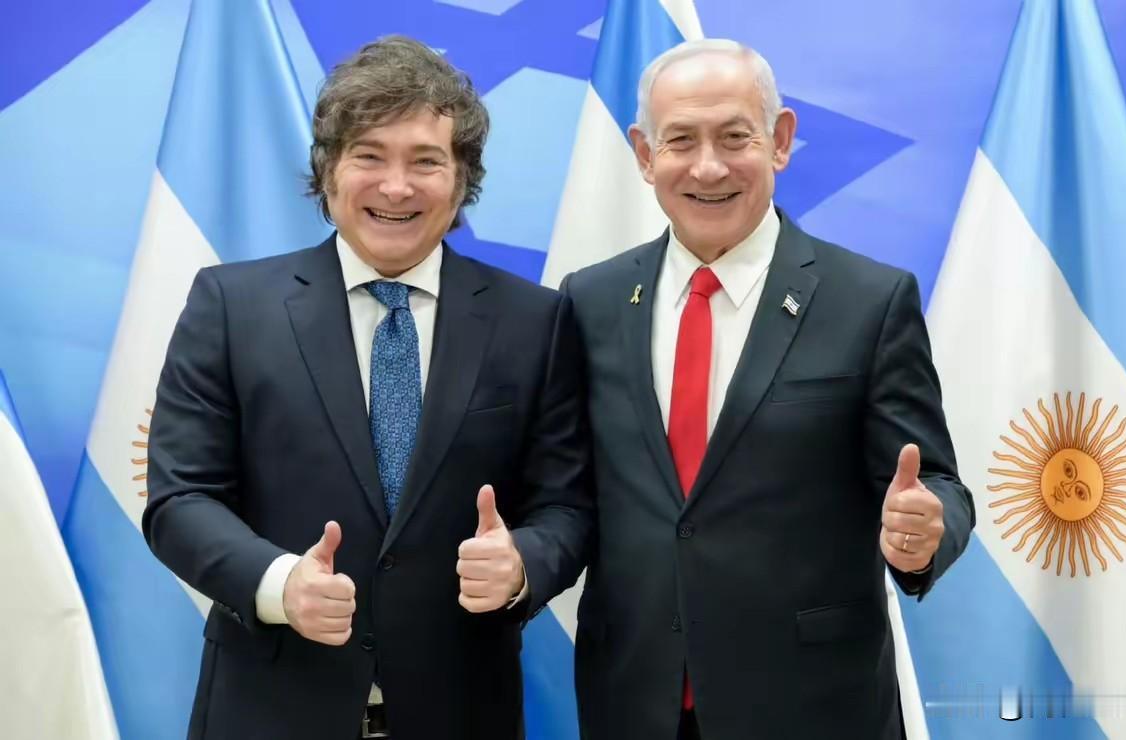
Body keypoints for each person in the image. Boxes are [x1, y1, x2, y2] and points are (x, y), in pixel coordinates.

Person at [144, 36, 591, 740]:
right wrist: (278, 584)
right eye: (369, 156)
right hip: (270, 708)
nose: (396, 187)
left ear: (462, 179)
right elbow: (180, 498)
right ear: (328, 170)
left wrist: (522, 565)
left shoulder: (535, 320)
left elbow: (567, 503)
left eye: (426, 161)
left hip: (462, 711)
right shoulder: (231, 306)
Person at [564, 39, 975, 740]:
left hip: (813, 705)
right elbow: (573, 496)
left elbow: (935, 480)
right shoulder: (590, 300)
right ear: (644, 154)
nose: (708, 167)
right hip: (634, 699)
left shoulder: (869, 301)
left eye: (735, 137)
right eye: (680, 141)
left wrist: (926, 530)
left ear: (780, 141)